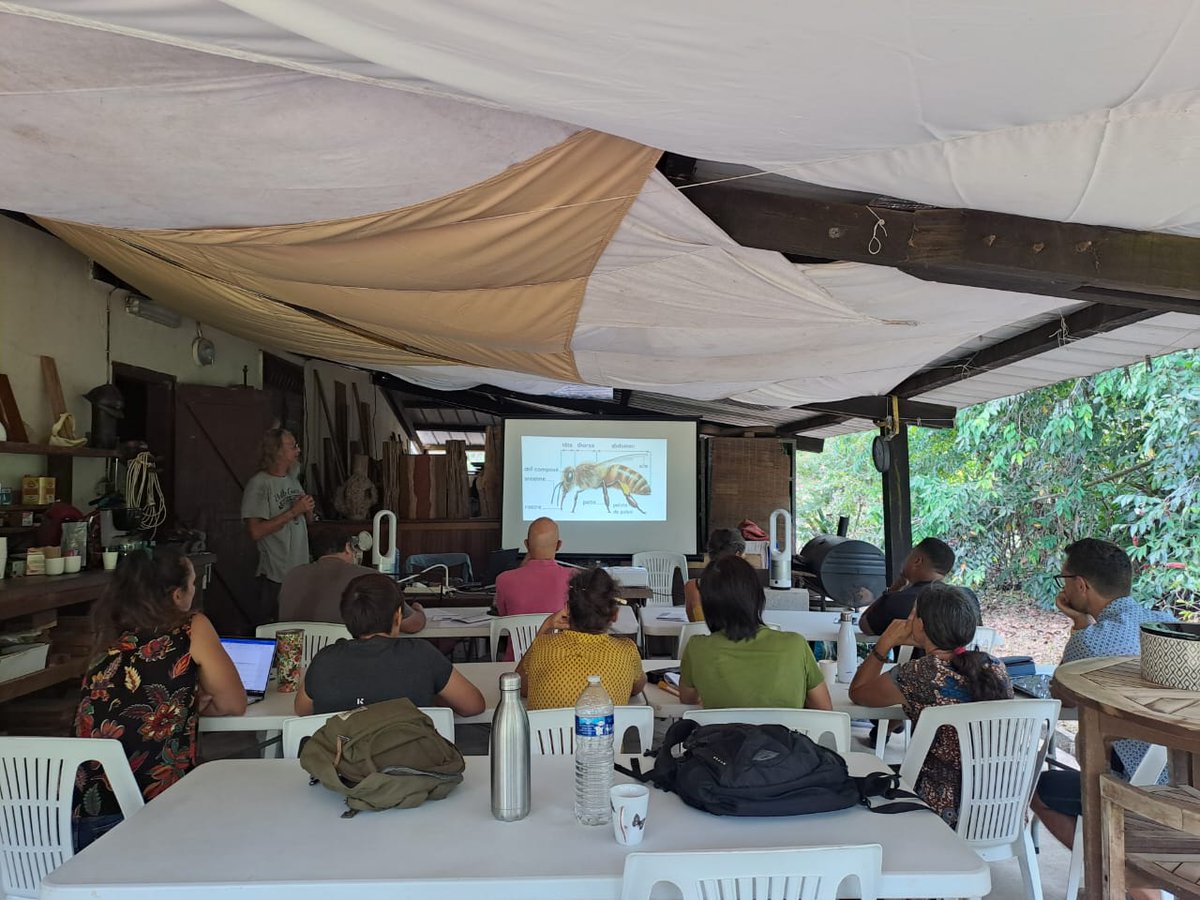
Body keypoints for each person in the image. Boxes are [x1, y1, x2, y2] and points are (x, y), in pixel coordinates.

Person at [73, 548, 246, 850]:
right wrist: (188, 704)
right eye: (192, 584)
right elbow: (233, 704)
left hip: (86, 811)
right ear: (177, 595)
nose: (194, 591)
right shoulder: (190, 627)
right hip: (155, 807)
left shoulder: (106, 628)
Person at [1030, 539, 1174, 861]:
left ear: (1080, 585)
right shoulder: (1165, 623)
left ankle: (1118, 878)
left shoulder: (1089, 643)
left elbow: (1062, 699)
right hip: (1182, 777)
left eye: (1063, 580)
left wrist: (1079, 627)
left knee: (1035, 789)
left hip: (1133, 786)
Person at [849, 583, 1012, 824]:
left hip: (937, 810)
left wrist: (884, 645)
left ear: (922, 626)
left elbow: (858, 693)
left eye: (913, 615)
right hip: (1000, 804)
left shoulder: (919, 674)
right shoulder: (994, 667)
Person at [295, 573, 484, 717]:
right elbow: (473, 706)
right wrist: (433, 695)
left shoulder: (324, 660)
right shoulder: (421, 655)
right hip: (411, 766)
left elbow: (302, 711)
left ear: (346, 619)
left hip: (340, 766)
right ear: (398, 617)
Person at [678, 555, 831, 711]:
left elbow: (688, 698)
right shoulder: (796, 645)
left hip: (722, 734)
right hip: (782, 735)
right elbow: (825, 709)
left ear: (708, 605)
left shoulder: (698, 648)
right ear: (758, 596)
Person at [516, 567, 646, 709]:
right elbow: (637, 687)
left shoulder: (542, 647)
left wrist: (546, 627)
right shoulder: (627, 652)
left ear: (568, 609)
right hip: (604, 731)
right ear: (614, 614)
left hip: (548, 732)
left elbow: (518, 686)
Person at [278, 530, 427, 633]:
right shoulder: (371, 577)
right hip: (347, 665)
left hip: (295, 666)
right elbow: (412, 624)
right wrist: (419, 610)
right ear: (348, 548)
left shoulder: (291, 576)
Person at [241, 427, 314, 627]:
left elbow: (307, 523)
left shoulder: (292, 481)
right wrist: (293, 511)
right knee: (273, 631)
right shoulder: (259, 484)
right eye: (292, 446)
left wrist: (307, 510)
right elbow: (255, 531)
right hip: (275, 576)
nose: (298, 450)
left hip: (298, 574)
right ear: (277, 452)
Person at [858, 537, 956, 635]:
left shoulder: (900, 600)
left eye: (910, 555)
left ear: (917, 561)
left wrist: (893, 590)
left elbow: (865, 626)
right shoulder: (958, 602)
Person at [494, 517, 575, 617]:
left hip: (518, 632)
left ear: (526, 545)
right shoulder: (574, 578)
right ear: (558, 545)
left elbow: (502, 616)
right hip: (558, 633)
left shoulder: (503, 579)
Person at [684, 527, 745, 622]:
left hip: (702, 636)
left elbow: (694, 627)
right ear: (738, 555)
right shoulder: (747, 586)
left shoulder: (692, 587)